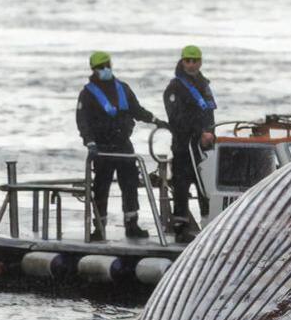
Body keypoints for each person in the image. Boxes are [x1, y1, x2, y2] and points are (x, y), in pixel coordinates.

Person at [75, 51, 167, 241]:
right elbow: (82, 121)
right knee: (101, 188)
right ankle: (99, 228)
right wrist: (89, 142)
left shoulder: (123, 88)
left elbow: (137, 110)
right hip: (102, 147)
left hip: (124, 145)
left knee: (130, 183)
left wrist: (156, 120)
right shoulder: (87, 94)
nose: (105, 69)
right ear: (93, 69)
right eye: (101, 67)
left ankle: (132, 224)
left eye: (107, 65)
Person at [163, 44, 217, 241]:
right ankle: (180, 228)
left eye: (195, 61)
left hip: (204, 145)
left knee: (207, 185)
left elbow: (210, 112)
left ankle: (209, 224)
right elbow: (176, 118)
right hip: (184, 145)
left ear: (200, 62)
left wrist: (209, 133)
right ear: (182, 61)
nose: (192, 64)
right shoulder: (174, 87)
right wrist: (198, 131)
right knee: (181, 185)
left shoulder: (204, 85)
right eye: (188, 60)